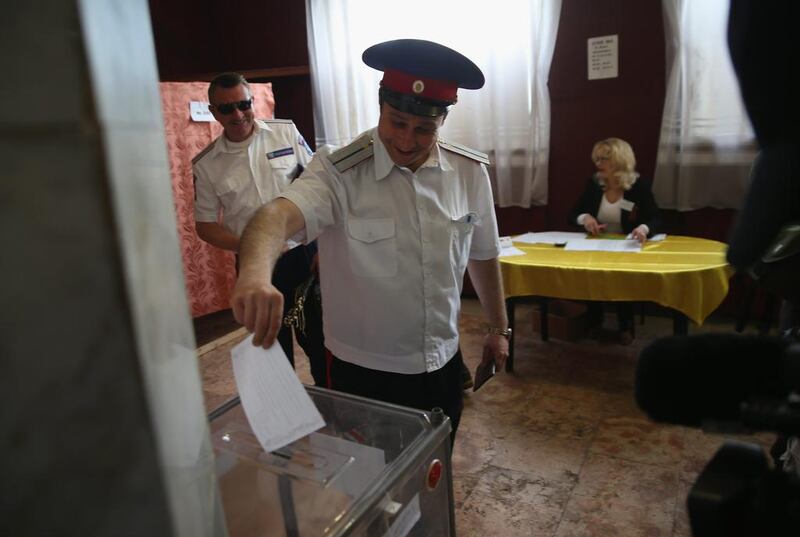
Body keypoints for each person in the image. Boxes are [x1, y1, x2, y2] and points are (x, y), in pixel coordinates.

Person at [230, 39, 510, 442]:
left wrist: (499, 329)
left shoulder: (467, 172)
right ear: (380, 106)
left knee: (432, 477)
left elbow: (482, 254)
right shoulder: (338, 170)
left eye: (424, 128)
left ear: (442, 121)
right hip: (363, 372)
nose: (408, 141)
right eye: (397, 122)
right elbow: (275, 216)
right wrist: (255, 276)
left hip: (443, 365)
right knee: (370, 486)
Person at [192, 72, 326, 385]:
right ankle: (286, 421)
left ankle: (335, 412)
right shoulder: (207, 164)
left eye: (243, 104)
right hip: (256, 268)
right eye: (226, 109)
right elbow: (205, 226)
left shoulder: (286, 133)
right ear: (214, 112)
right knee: (271, 349)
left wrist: (324, 247)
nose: (238, 115)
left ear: (252, 102)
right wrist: (253, 245)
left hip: (303, 255)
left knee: (321, 342)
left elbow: (318, 189)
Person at [569, 137, 660, 345]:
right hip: (597, 244)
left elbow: (656, 218)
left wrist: (643, 228)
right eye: (597, 158)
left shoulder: (639, 186)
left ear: (620, 160)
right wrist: (585, 218)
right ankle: (594, 321)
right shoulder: (593, 184)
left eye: (604, 159)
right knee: (589, 273)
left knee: (622, 276)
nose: (598, 164)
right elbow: (573, 213)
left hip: (626, 245)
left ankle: (625, 325)